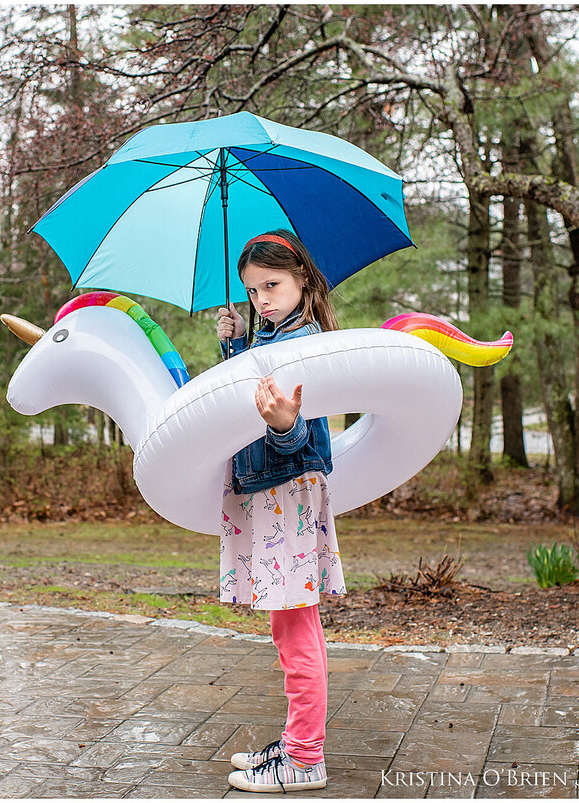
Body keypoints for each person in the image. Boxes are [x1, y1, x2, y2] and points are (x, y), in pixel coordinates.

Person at [215, 229, 345, 793]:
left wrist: (285, 426)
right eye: (252, 290)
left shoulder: (305, 346)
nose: (262, 298)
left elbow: (304, 436)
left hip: (286, 497)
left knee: (295, 633)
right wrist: (234, 345)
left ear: (302, 281)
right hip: (272, 495)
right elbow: (248, 399)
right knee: (290, 626)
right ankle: (298, 740)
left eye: (272, 285)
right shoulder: (271, 337)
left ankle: (304, 760)